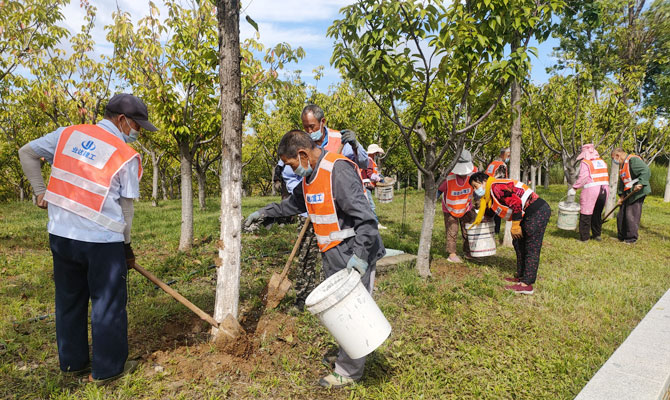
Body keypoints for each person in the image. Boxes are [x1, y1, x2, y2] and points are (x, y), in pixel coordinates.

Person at [17, 93, 156, 384]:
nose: (138, 132)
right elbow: (126, 210)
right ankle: (108, 371)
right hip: (101, 241)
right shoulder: (124, 154)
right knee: (107, 303)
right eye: (137, 126)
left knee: (69, 300)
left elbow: (26, 152)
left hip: (61, 234)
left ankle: (73, 364)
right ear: (121, 120)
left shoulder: (67, 134)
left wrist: (39, 190)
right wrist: (126, 247)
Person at [244, 130, 385, 388]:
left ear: (302, 154)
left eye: (291, 164)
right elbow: (292, 204)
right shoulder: (309, 176)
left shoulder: (337, 171)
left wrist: (361, 257)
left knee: (352, 311)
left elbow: (366, 220)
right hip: (333, 253)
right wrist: (265, 213)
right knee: (340, 310)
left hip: (353, 251)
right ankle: (350, 352)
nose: (291, 169)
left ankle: (349, 371)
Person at [469, 171, 551, 295]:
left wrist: (516, 224)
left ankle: (527, 284)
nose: (475, 190)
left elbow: (516, 202)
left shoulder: (496, 187)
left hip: (537, 211)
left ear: (484, 181)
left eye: (476, 186)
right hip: (526, 214)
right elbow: (492, 209)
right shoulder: (489, 194)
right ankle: (521, 276)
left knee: (531, 246)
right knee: (518, 243)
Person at [437, 150, 477, 263]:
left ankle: (468, 251)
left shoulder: (473, 173)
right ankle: (452, 254)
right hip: (450, 208)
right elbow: (439, 190)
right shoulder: (448, 176)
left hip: (466, 206)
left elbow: (478, 189)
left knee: (468, 229)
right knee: (452, 231)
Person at [611, 148, 651, 244]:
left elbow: (646, 171)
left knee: (631, 214)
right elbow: (622, 181)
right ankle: (621, 236)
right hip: (628, 191)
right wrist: (621, 196)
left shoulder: (633, 160)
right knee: (621, 214)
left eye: (613, 159)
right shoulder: (622, 165)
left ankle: (631, 239)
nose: (614, 161)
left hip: (637, 192)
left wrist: (641, 183)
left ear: (617, 156)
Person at [570, 144, 609, 242]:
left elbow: (583, 177)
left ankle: (584, 237)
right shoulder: (602, 162)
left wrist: (574, 188)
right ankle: (597, 235)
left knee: (586, 213)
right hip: (604, 190)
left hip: (591, 190)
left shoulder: (586, 162)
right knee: (597, 213)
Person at [361, 143, 387, 229]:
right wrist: (378, 178)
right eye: (376, 153)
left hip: (368, 186)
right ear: (373, 153)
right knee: (371, 206)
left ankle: (367, 223)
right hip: (366, 185)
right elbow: (369, 174)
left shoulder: (370, 161)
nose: (377, 155)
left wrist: (378, 175)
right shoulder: (368, 160)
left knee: (367, 205)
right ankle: (375, 224)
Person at [485, 147, 510, 234]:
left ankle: (489, 229)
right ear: (503, 154)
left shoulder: (493, 163)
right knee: (497, 211)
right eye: (508, 155)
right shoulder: (501, 165)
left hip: (488, 188)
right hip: (495, 190)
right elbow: (501, 181)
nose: (509, 158)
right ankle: (496, 231)